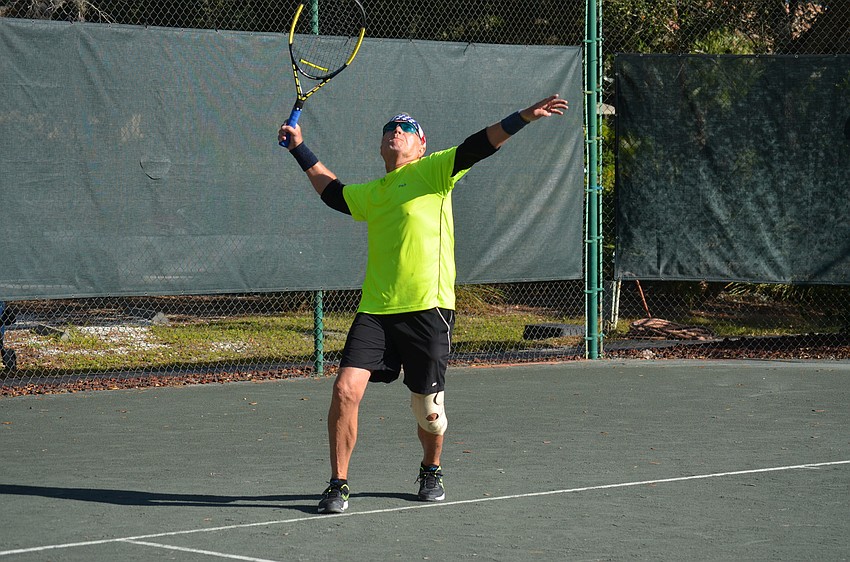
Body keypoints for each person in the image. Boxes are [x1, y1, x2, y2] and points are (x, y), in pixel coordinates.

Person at [279, 94, 569, 514]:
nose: (396, 131)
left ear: (422, 144)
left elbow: (478, 145)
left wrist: (524, 116)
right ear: (381, 147)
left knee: (429, 411)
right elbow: (334, 193)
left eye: (406, 128)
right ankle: (338, 483)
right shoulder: (374, 193)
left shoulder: (434, 171)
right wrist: (299, 148)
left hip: (428, 309)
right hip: (376, 311)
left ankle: (431, 468)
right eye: (389, 129)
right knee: (344, 390)